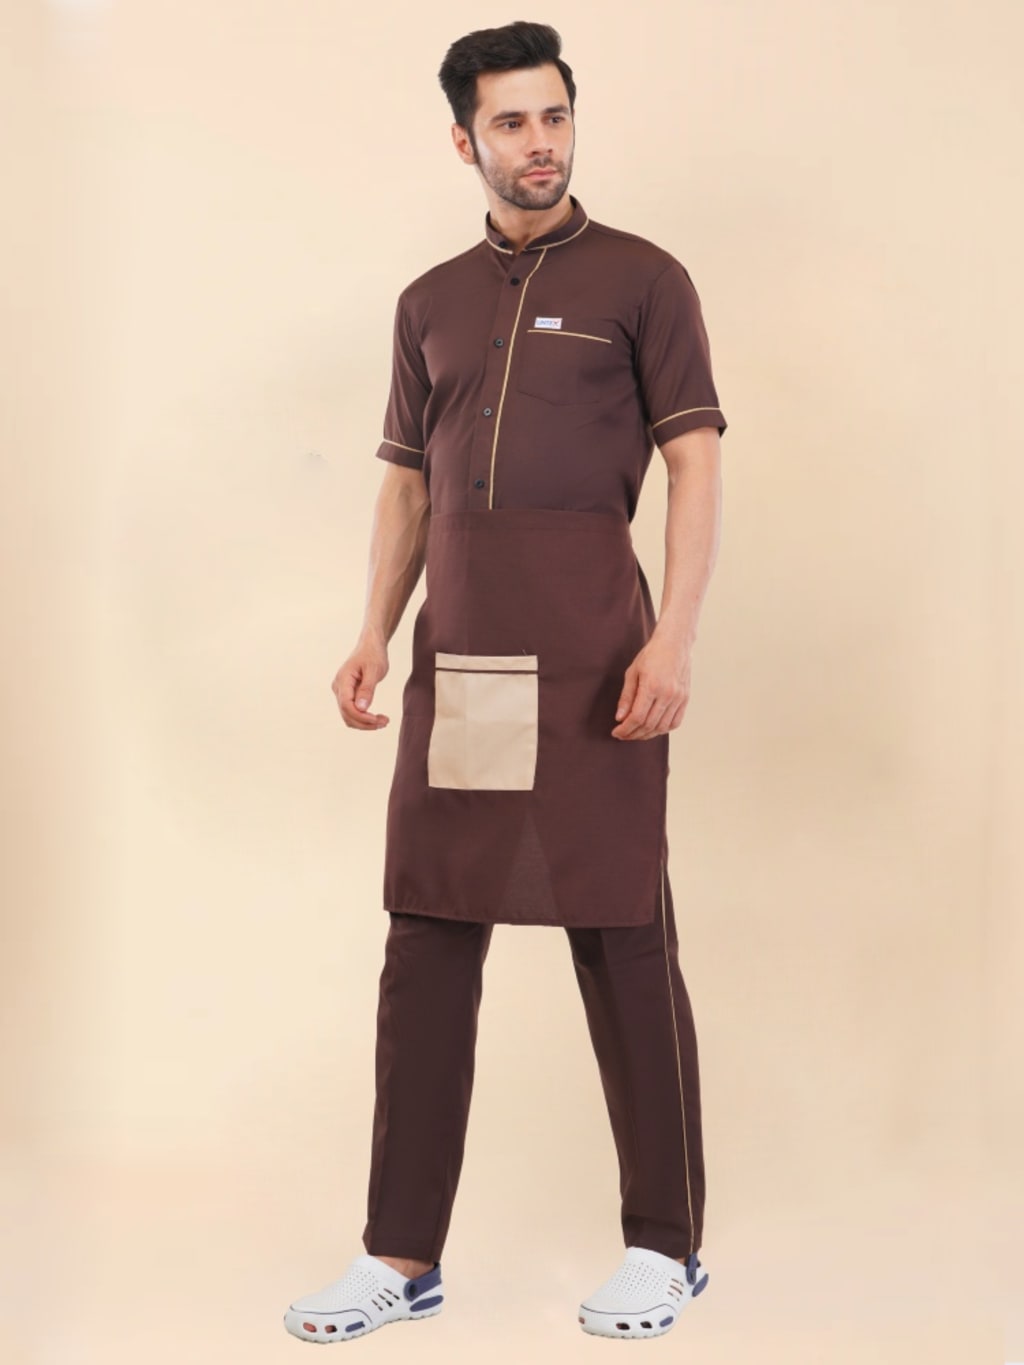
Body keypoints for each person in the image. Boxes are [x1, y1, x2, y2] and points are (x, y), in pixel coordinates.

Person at [284, 19, 726, 1345]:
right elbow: (406, 484)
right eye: (512, 122)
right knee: (428, 938)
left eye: (555, 116)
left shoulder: (646, 280)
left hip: (597, 657)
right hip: (464, 661)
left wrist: (675, 636)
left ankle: (666, 1246)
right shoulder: (428, 301)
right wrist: (375, 629)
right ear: (464, 139)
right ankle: (399, 1255)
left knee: (621, 933)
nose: (540, 143)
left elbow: (696, 463)